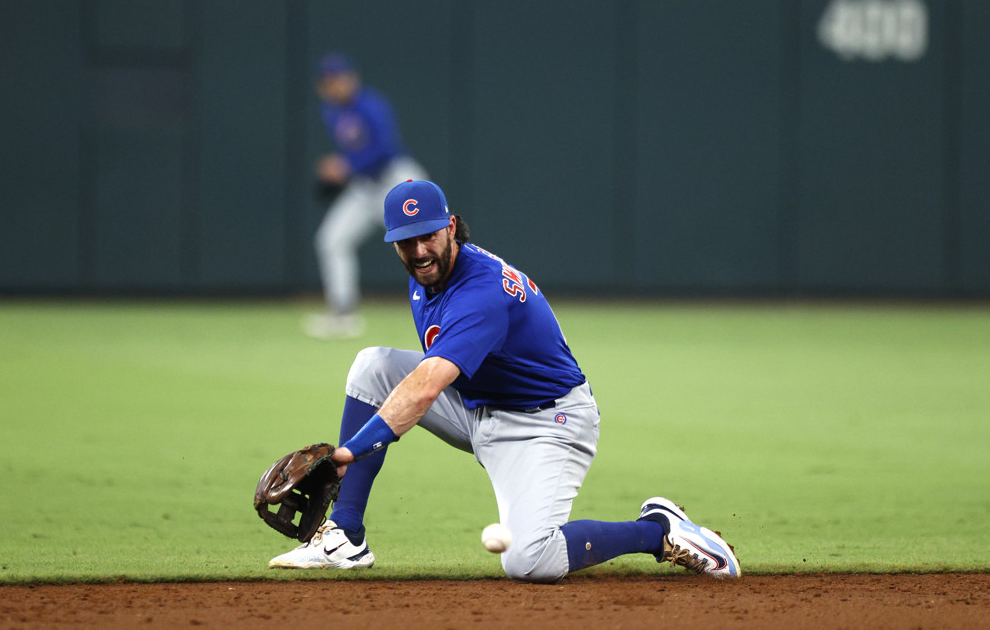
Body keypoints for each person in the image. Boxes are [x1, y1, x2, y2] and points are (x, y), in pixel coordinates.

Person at [271, 180, 741, 581]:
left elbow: (425, 388)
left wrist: (346, 454)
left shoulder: (480, 292)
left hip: (545, 424)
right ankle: (347, 537)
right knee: (371, 366)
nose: (418, 250)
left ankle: (659, 531)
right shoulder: (426, 270)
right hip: (479, 406)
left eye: (428, 236)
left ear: (451, 226)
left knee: (530, 560)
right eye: (406, 241)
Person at [304, 52, 429, 339]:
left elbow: (385, 149)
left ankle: (459, 304)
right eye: (329, 81)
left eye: (340, 79)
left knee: (430, 243)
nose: (336, 85)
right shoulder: (331, 110)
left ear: (352, 78)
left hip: (397, 181)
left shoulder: (371, 105)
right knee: (332, 240)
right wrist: (343, 166)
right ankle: (343, 314)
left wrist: (346, 165)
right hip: (365, 187)